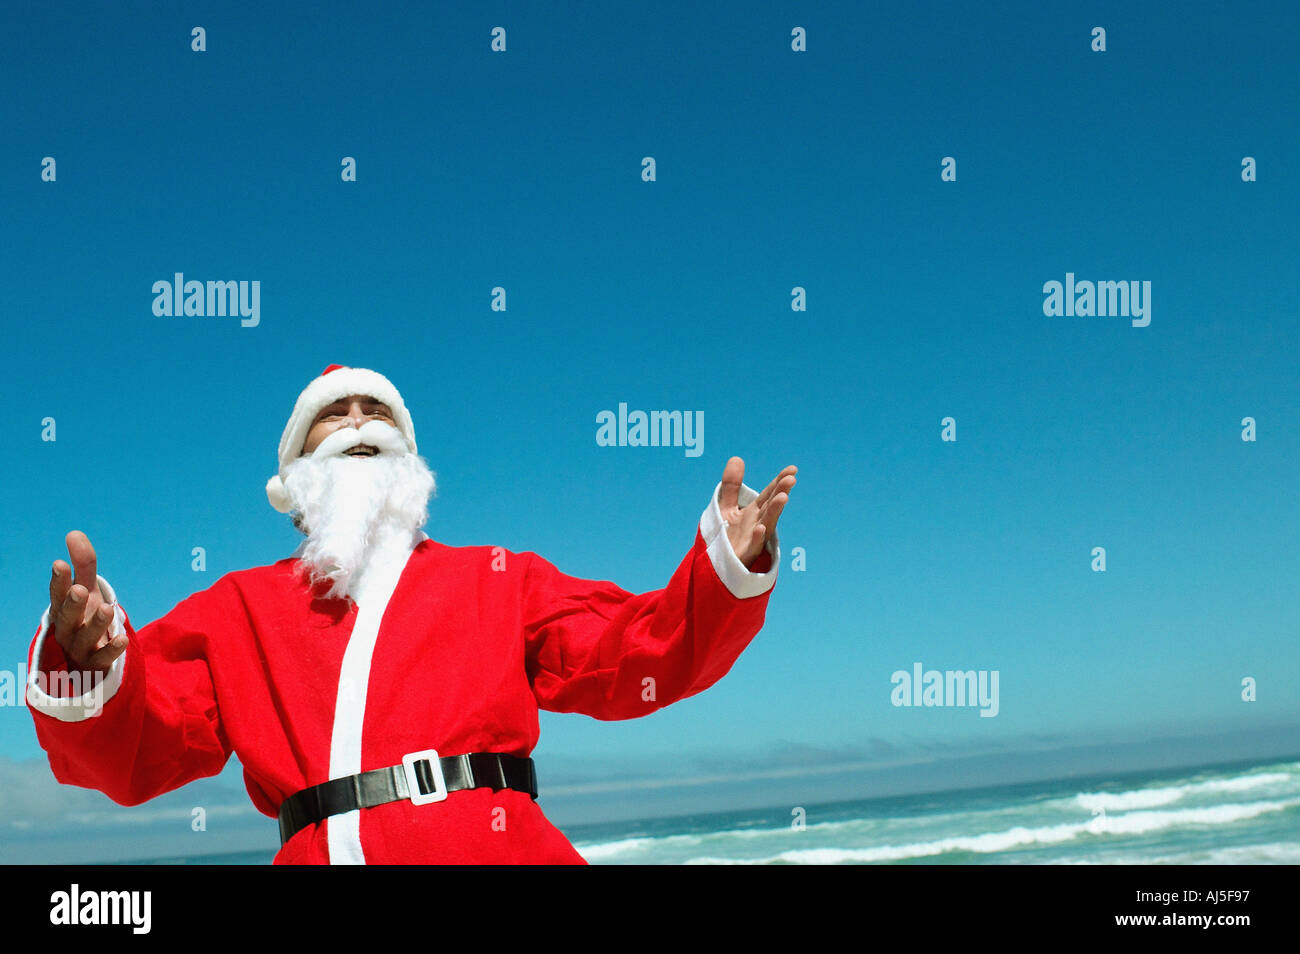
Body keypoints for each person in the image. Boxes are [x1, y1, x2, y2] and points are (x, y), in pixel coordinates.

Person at [25, 364, 796, 864]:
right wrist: (87, 664)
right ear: (292, 478)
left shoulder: (499, 578)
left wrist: (721, 575)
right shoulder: (237, 609)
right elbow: (137, 749)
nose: (360, 421)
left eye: (376, 412)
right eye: (334, 415)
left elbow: (637, 655)